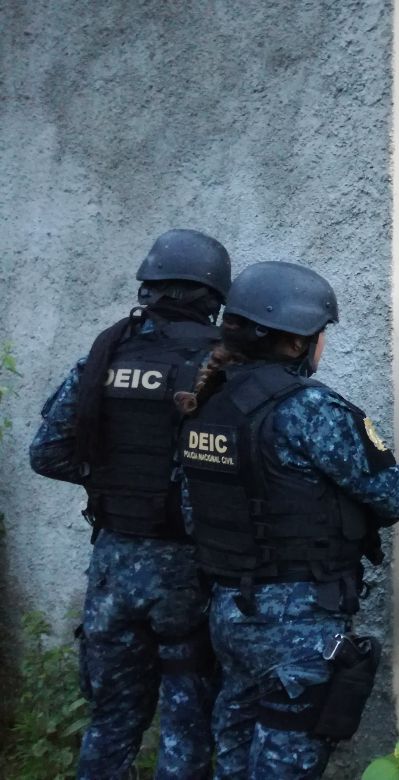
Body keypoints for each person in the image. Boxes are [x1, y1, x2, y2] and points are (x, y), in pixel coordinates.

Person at [175, 261, 399, 779]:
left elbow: (193, 511)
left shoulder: (207, 404)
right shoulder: (311, 409)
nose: (323, 343)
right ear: (294, 344)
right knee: (286, 762)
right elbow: (394, 496)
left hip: (229, 610)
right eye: (321, 333)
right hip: (296, 620)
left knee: (235, 755)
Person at [29, 228, 231, 779]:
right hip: (186, 572)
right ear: (214, 293)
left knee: (112, 720)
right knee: (186, 724)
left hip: (112, 565)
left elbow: (47, 453)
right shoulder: (221, 361)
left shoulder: (107, 349)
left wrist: (112, 483)